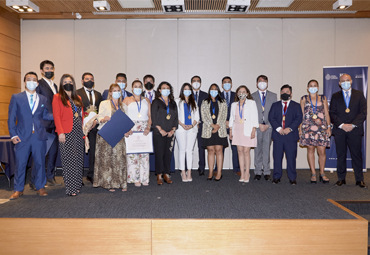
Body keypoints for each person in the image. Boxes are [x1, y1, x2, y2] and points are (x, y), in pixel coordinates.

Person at [8, 72, 54, 200]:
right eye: (29, 79)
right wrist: (13, 135)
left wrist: (58, 115)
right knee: (20, 164)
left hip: (39, 136)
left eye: (34, 80)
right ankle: (18, 189)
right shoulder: (16, 97)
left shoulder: (43, 99)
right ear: (24, 82)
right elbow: (11, 118)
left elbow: (45, 116)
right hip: (22, 136)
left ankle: (40, 186)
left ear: (37, 83)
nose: (32, 82)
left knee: (40, 162)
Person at [329, 74, 367, 188]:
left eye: (347, 80)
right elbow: (332, 113)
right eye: (343, 81)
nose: (345, 82)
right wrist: (342, 125)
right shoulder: (335, 96)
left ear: (351, 81)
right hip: (340, 130)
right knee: (341, 154)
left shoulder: (359, 94)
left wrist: (353, 125)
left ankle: (359, 180)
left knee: (356, 155)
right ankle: (341, 179)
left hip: (355, 130)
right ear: (339, 83)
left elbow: (363, 112)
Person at [94, 84, 132, 192]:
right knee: (108, 160)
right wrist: (103, 119)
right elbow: (99, 117)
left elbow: (126, 121)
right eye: (114, 90)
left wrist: (128, 130)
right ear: (110, 92)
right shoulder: (104, 103)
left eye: (118, 90)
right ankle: (109, 183)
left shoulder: (124, 105)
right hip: (107, 134)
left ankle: (121, 183)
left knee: (119, 159)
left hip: (119, 135)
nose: (116, 92)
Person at [52, 74, 85, 196]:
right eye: (65, 81)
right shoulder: (58, 97)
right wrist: (60, 132)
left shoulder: (78, 98)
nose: (68, 83)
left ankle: (77, 185)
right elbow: (56, 116)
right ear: (62, 83)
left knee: (78, 160)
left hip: (78, 131)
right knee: (69, 161)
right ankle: (70, 188)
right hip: (66, 132)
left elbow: (80, 115)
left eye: (70, 81)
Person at [30, 60, 60, 189]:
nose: (49, 70)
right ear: (41, 71)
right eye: (47, 68)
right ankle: (33, 181)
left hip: (55, 124)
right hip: (43, 124)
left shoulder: (55, 86)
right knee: (41, 153)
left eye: (51, 68)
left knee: (53, 152)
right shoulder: (39, 84)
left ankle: (50, 177)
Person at [268, 84, 303, 185]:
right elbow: (271, 118)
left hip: (290, 136)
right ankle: (276, 177)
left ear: (291, 94)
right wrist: (279, 128)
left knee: (291, 157)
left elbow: (298, 118)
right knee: (277, 157)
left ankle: (292, 178)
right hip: (278, 135)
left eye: (287, 92)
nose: (284, 94)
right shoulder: (275, 105)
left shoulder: (296, 106)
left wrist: (290, 128)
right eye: (283, 92)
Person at [299, 80, 331, 184]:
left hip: (321, 128)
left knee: (322, 151)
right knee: (310, 150)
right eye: (311, 86)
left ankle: (322, 173)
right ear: (307, 88)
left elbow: (326, 112)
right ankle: (313, 173)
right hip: (308, 128)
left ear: (318, 87)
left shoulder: (323, 98)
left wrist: (329, 127)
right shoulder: (304, 98)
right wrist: (300, 128)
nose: (313, 87)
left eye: (315, 85)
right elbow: (301, 114)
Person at [123, 80, 151, 187]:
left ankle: (144, 178)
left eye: (140, 86)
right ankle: (135, 178)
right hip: (131, 128)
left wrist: (148, 126)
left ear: (142, 89)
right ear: (131, 88)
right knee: (132, 155)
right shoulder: (127, 99)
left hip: (144, 129)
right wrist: (126, 128)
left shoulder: (146, 100)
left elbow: (150, 116)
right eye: (135, 86)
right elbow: (123, 115)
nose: (138, 88)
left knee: (144, 154)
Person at [76, 72, 102, 184]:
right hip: (80, 126)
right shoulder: (76, 93)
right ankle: (77, 177)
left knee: (94, 151)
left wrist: (96, 121)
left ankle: (91, 175)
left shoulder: (98, 94)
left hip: (94, 127)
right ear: (82, 81)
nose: (89, 80)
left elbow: (100, 111)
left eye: (91, 79)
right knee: (79, 152)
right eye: (87, 79)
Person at [229, 86, 259, 183]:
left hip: (248, 130)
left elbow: (255, 116)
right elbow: (231, 118)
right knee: (239, 151)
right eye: (240, 91)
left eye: (244, 91)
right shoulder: (234, 104)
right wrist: (230, 131)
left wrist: (254, 129)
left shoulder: (251, 103)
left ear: (247, 93)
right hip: (237, 130)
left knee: (246, 152)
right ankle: (242, 173)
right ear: (237, 93)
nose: (241, 93)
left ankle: (247, 173)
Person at [151, 81, 178, 185]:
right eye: (163, 88)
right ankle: (159, 175)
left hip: (170, 133)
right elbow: (153, 117)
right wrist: (160, 129)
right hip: (159, 133)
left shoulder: (173, 102)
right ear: (159, 90)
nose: (166, 90)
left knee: (168, 154)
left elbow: (176, 118)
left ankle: (166, 174)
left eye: (168, 88)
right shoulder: (156, 102)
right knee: (159, 154)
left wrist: (173, 130)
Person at [251, 75, 277, 181]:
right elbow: (251, 113)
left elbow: (275, 112)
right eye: (260, 81)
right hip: (257, 127)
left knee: (266, 150)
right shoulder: (251, 96)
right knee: (257, 150)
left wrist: (268, 125)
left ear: (267, 83)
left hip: (268, 126)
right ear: (257, 84)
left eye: (264, 81)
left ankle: (266, 171)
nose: (262, 83)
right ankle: (257, 171)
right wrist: (258, 124)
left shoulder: (273, 96)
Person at [201, 84, 228, 181]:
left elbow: (224, 116)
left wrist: (217, 126)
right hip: (208, 129)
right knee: (210, 151)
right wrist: (212, 125)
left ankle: (219, 172)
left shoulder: (223, 102)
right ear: (209, 91)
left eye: (216, 89)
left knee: (219, 151)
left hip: (220, 129)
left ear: (218, 91)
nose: (214, 91)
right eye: (212, 89)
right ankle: (211, 172)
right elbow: (203, 116)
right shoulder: (205, 102)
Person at [175, 83, 200, 182]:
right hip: (180, 129)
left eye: (189, 89)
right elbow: (175, 115)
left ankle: (189, 171)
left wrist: (192, 125)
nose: (187, 91)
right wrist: (182, 124)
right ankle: (183, 171)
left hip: (192, 129)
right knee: (182, 150)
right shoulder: (177, 101)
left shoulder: (194, 102)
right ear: (182, 90)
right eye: (185, 89)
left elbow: (197, 117)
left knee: (190, 150)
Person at [220, 76, 240, 175]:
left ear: (231, 84)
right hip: (221, 125)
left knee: (235, 148)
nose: (227, 84)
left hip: (234, 125)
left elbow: (240, 110)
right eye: (225, 82)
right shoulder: (218, 95)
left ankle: (237, 168)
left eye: (229, 82)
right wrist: (224, 121)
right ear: (222, 84)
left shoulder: (236, 95)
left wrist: (231, 122)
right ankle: (217, 169)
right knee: (219, 148)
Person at [191, 75, 208, 176]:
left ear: (200, 83)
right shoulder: (187, 95)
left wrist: (200, 121)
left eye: (198, 81)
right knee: (188, 147)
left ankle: (201, 167)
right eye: (194, 81)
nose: (196, 82)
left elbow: (207, 111)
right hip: (189, 125)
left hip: (202, 125)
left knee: (201, 147)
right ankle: (186, 167)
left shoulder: (205, 95)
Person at [143, 74, 156, 173]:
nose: (148, 83)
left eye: (150, 81)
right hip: (143, 125)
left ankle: (155, 170)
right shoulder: (138, 95)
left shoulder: (159, 95)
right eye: (146, 81)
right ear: (143, 83)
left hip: (157, 125)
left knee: (157, 148)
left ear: (154, 83)